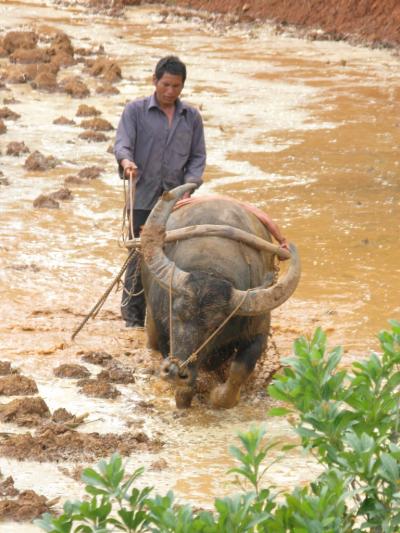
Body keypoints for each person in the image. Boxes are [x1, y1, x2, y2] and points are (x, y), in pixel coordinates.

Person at [114, 55, 206, 328]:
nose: (170, 91)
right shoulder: (135, 111)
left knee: (176, 255)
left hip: (177, 200)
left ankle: (168, 315)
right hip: (142, 196)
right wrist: (126, 162)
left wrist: (189, 187)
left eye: (176, 86)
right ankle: (133, 318)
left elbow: (197, 157)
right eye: (165, 84)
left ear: (182, 86)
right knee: (140, 255)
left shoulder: (191, 117)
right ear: (154, 81)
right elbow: (122, 144)